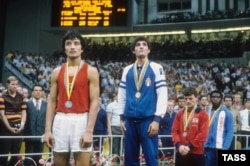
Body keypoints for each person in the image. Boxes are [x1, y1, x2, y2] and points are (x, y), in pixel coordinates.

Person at [44, 29, 100, 166]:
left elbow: (94, 102)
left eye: (76, 43)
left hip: (81, 119)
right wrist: (47, 130)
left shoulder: (91, 71)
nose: (72, 47)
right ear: (64, 48)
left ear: (82, 48)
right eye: (68, 43)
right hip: (60, 119)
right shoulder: (56, 72)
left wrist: (89, 131)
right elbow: (51, 101)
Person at [117, 36, 168, 166]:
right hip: (129, 121)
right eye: (138, 45)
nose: (141, 46)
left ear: (148, 50)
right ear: (133, 50)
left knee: (151, 159)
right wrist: (121, 118)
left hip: (148, 121)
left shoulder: (156, 67)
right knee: (130, 160)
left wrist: (157, 120)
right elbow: (121, 94)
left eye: (144, 44)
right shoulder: (127, 70)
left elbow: (162, 94)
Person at [172, 87, 209, 166]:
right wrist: (179, 145)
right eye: (186, 99)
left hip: (196, 152)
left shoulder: (203, 114)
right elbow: (174, 131)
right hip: (181, 151)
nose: (188, 101)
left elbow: (203, 134)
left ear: (196, 98)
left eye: (190, 98)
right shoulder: (179, 114)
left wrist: (189, 146)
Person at [0, 76, 27, 166]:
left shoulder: (21, 96)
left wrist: (22, 125)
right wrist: (9, 128)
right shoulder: (2, 97)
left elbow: (23, 111)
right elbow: (2, 115)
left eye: (16, 84)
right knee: (4, 152)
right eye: (13, 84)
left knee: (15, 153)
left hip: (18, 127)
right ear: (8, 85)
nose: (15, 86)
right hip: (5, 128)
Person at [204, 90, 234, 166]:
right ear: (210, 98)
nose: (215, 99)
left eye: (218, 97)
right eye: (213, 97)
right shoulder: (205, 112)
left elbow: (230, 131)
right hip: (207, 147)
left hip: (220, 147)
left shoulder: (227, 113)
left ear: (221, 99)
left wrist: (225, 147)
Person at [24, 84, 47, 165]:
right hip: (29, 135)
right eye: (36, 90)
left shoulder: (46, 104)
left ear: (42, 93)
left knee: (38, 159)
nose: (38, 92)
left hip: (41, 135)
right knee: (28, 159)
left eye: (40, 91)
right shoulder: (26, 104)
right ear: (32, 92)